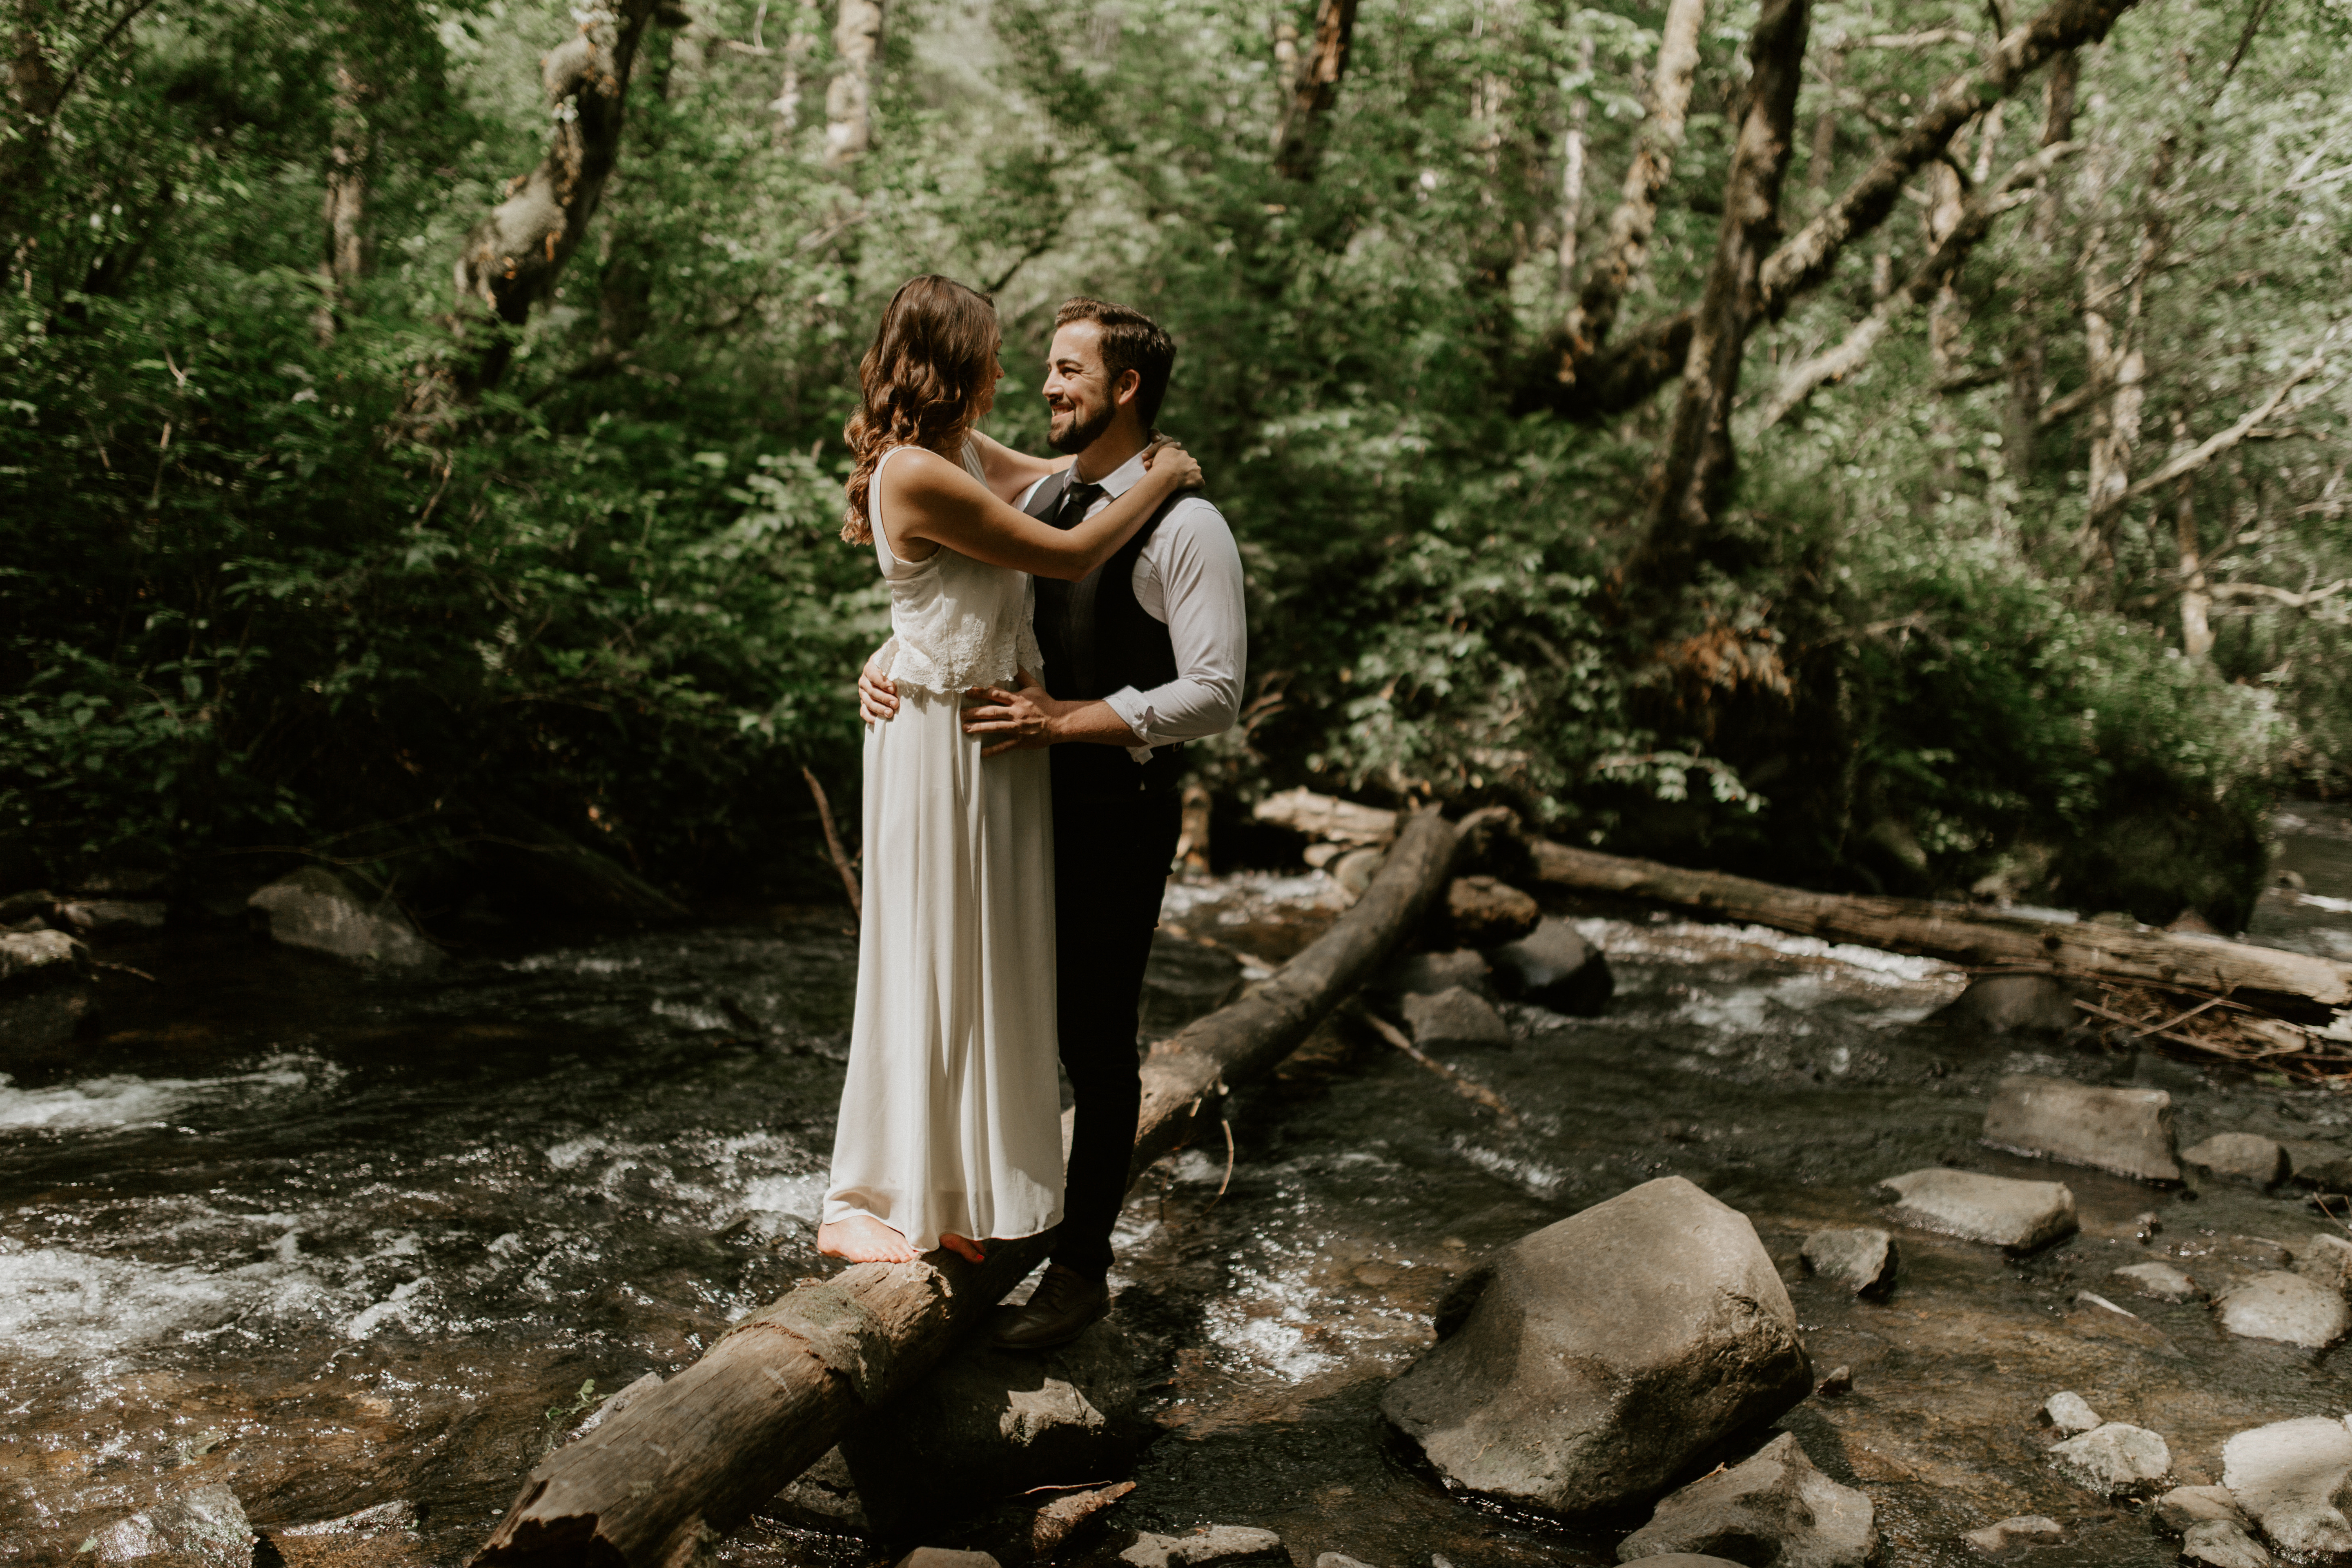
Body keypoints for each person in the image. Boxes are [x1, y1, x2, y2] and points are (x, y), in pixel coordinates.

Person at [860, 297, 1248, 1348]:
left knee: (1095, 1043)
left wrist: (1073, 719)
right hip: (1004, 806)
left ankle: (1080, 1271)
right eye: (1039, 367)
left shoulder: (1188, 527)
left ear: (1124, 387)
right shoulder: (1048, 493)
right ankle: (990, 1209)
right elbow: (954, 585)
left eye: (1069, 370)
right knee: (997, 1017)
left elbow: (1216, 694)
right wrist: (894, 658)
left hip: (1113, 808)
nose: (1045, 385)